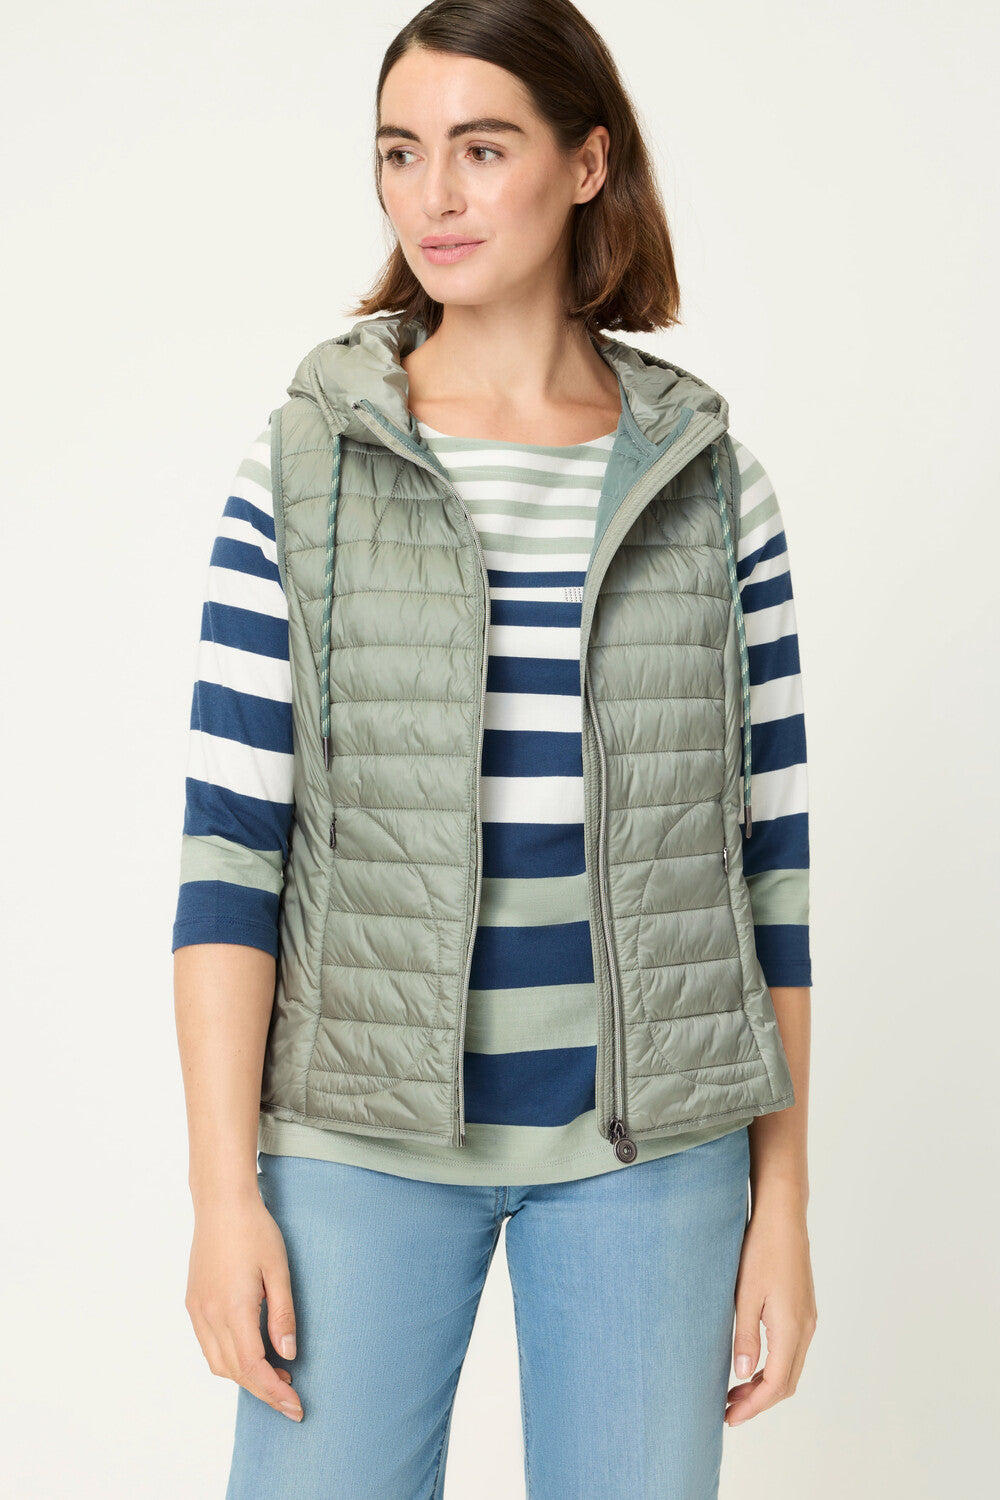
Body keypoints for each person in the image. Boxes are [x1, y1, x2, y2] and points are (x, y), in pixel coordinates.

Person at [172, 2, 817, 1495]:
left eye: (481, 148)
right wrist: (221, 1196)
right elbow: (229, 853)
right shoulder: (306, 468)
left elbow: (771, 874)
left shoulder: (714, 486)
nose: (434, 196)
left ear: (587, 164)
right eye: (401, 153)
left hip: (653, 1155)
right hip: (353, 1141)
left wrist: (782, 1207)